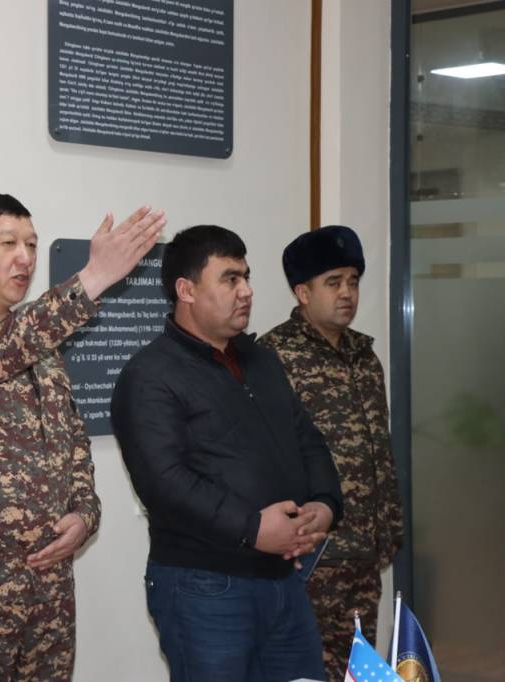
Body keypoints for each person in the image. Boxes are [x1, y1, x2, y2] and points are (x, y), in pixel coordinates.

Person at [0, 195, 165, 681]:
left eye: (33, 245)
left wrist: (85, 514)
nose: (26, 257)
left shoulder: (41, 349)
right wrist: (93, 277)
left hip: (46, 589)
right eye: (9, 244)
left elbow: (72, 443)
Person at [110, 224, 344, 682]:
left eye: (246, 277)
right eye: (230, 278)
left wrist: (324, 505)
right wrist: (253, 528)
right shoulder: (149, 375)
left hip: (285, 577)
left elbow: (307, 440)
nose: (246, 291)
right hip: (205, 587)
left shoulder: (262, 360)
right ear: (186, 290)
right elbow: (165, 482)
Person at [257, 225, 403, 681]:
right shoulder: (271, 356)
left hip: (364, 552)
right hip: (312, 555)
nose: (347, 293)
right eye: (333, 282)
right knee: (306, 670)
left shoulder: (365, 356)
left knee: (358, 669)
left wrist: (388, 530)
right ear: (303, 292)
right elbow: (263, 457)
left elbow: (378, 450)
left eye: (353, 282)